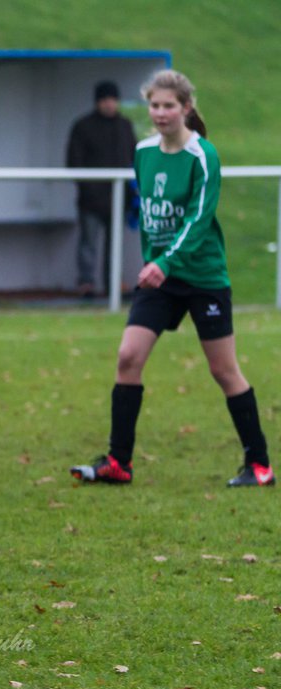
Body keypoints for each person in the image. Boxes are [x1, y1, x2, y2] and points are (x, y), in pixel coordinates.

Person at [71, 70, 273, 488]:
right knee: (128, 357)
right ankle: (119, 462)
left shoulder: (203, 156)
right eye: (154, 105)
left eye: (168, 106)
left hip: (201, 277)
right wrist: (155, 263)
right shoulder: (143, 152)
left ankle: (259, 465)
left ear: (185, 108)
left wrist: (164, 261)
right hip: (161, 278)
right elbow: (149, 213)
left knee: (224, 370)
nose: (160, 113)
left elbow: (199, 221)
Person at [67, 80, 137, 298]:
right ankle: (86, 283)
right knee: (88, 243)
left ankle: (113, 284)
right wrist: (90, 191)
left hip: (119, 199)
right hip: (91, 201)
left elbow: (134, 158)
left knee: (115, 246)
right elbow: (74, 162)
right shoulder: (83, 126)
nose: (109, 104)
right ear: (98, 102)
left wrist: (132, 192)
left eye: (112, 100)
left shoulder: (125, 126)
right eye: (105, 100)